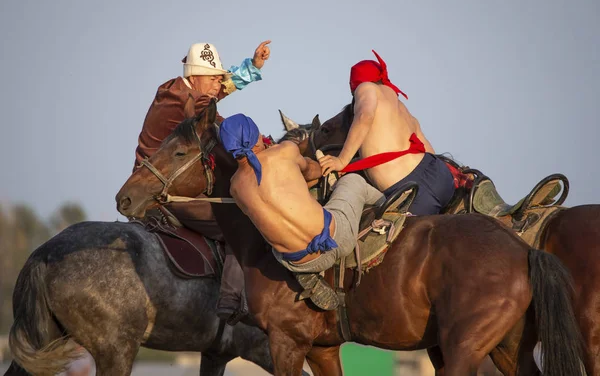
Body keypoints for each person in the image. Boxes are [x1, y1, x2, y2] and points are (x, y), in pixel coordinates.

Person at [130, 40, 270, 323]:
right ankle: (231, 303)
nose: (219, 83)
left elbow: (216, 92)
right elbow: (225, 127)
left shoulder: (175, 89)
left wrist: (252, 67)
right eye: (214, 77)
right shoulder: (193, 101)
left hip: (154, 186)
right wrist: (266, 149)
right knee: (243, 220)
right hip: (161, 196)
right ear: (195, 78)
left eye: (220, 78)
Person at [219, 114, 405, 310]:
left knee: (270, 232)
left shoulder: (235, 188)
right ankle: (392, 208)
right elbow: (313, 172)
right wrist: (330, 167)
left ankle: (306, 274)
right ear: (256, 136)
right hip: (335, 240)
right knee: (352, 182)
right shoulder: (285, 151)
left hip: (297, 263)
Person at [318, 50, 455, 215]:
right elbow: (427, 148)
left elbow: (364, 116)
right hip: (440, 175)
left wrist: (342, 160)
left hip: (410, 190)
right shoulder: (400, 106)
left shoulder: (366, 88)